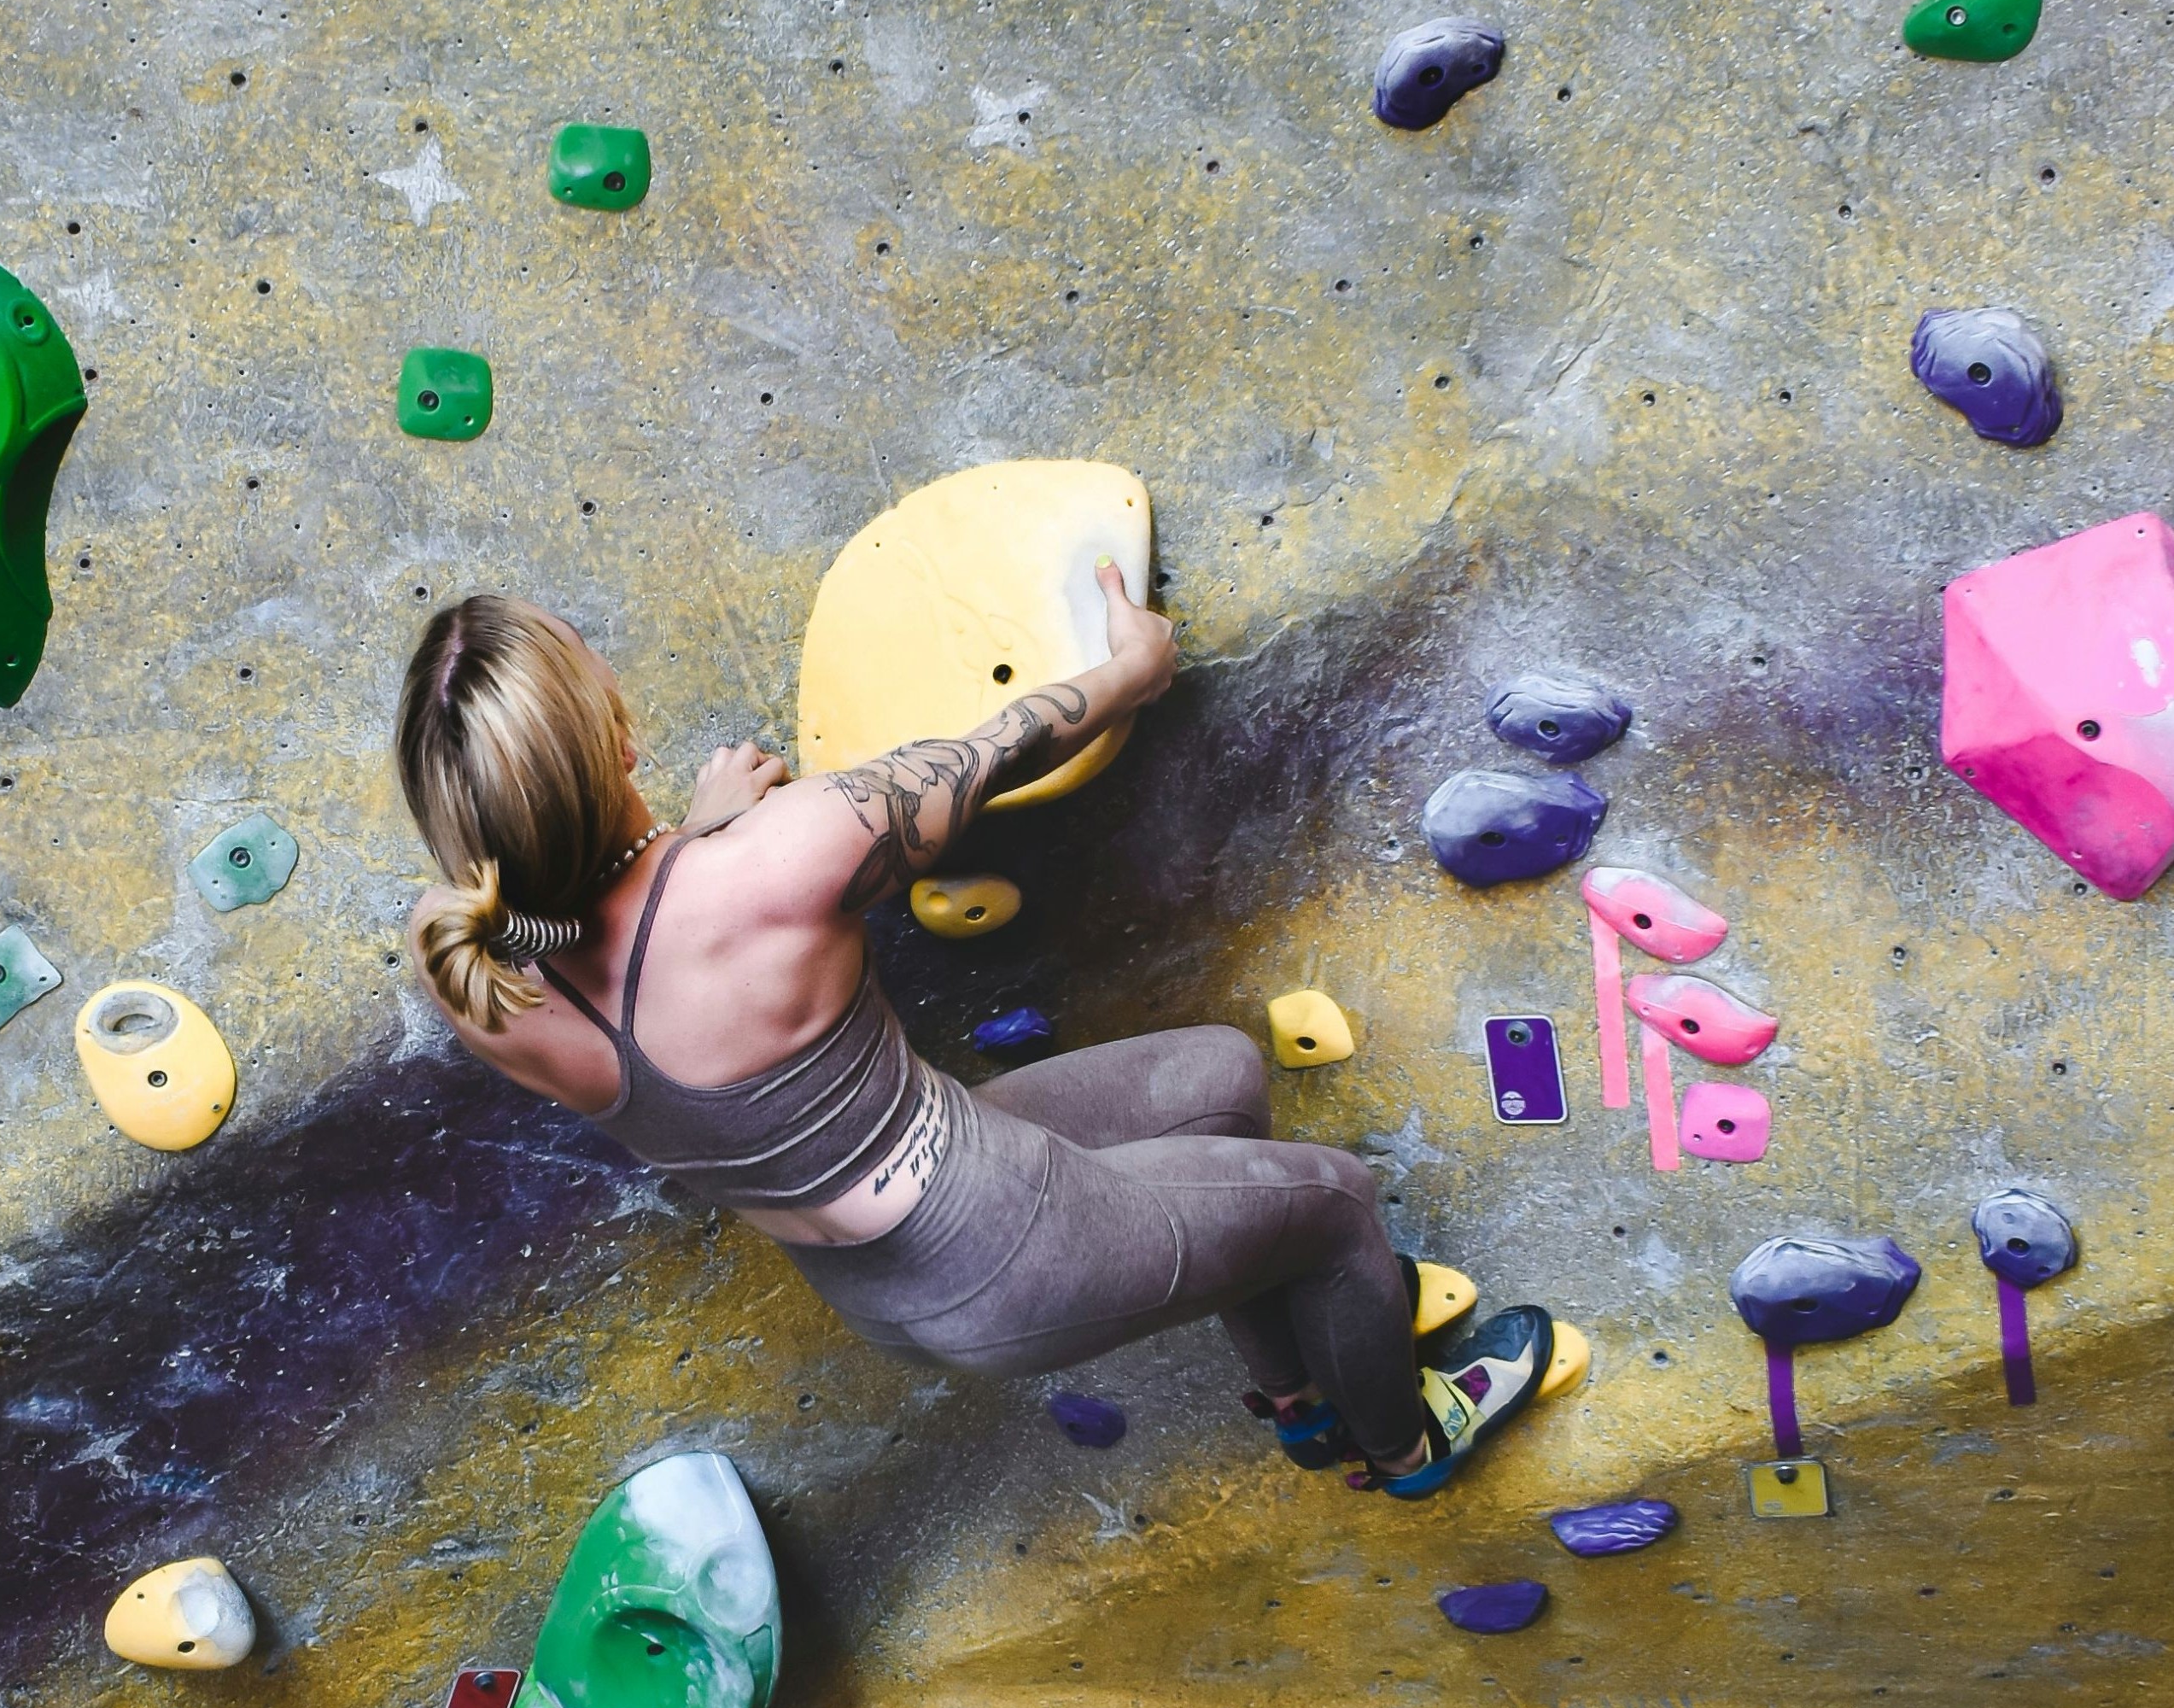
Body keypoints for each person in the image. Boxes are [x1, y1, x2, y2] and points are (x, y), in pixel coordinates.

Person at [393, 568, 1552, 1494]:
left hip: (886, 1267)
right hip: (1003, 1248)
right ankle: (1406, 1444)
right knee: (1336, 1202)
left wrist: (692, 837)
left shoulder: (462, 958)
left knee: (1222, 1074)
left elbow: (645, 935)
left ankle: (1300, 1402)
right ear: (617, 739)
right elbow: (1007, 745)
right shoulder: (784, 853)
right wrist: (1134, 667)